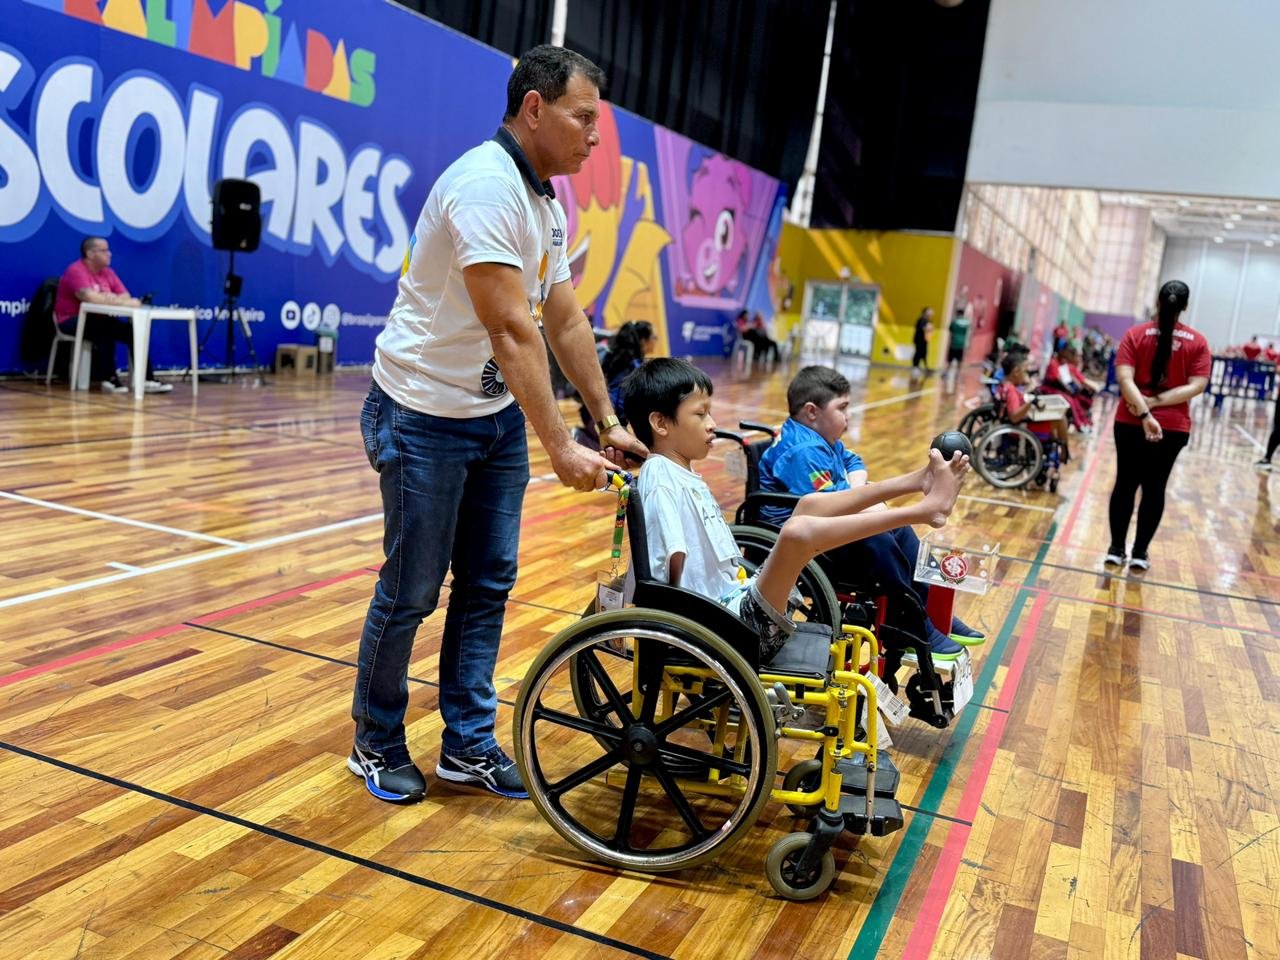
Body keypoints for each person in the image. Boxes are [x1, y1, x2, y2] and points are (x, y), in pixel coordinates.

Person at [349, 45, 647, 805]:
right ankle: (375, 740)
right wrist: (559, 443)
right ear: (535, 108)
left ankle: (466, 745)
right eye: (584, 118)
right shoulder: (485, 186)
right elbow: (513, 329)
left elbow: (564, 316)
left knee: (486, 585)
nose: (594, 137)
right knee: (412, 589)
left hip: (489, 417)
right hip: (421, 414)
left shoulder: (544, 200)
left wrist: (604, 416)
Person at [620, 358, 969, 660]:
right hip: (718, 628)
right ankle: (922, 510)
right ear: (661, 424)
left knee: (807, 506)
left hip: (732, 604)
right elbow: (667, 570)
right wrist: (670, 629)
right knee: (797, 531)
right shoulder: (661, 477)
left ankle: (918, 480)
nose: (712, 423)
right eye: (700, 413)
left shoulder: (680, 472)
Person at [755, 365, 985, 659]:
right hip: (791, 545)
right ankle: (907, 624)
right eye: (843, 408)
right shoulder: (802, 451)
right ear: (812, 412)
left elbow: (854, 461)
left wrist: (857, 492)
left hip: (821, 530)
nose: (848, 416)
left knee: (896, 528)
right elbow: (827, 511)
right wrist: (862, 501)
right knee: (878, 537)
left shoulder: (825, 441)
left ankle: (925, 610)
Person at [1105, 280, 1210, 571]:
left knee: (1125, 484)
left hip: (1129, 421)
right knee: (1155, 487)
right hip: (1174, 426)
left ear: (1158, 301)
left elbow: (1125, 380)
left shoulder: (1135, 334)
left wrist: (1144, 409)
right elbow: (1197, 386)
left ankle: (1116, 550)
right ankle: (1139, 553)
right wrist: (1157, 404)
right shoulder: (1198, 342)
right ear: (1185, 306)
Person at [54, 237, 171, 393]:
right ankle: (109, 379)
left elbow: (127, 297)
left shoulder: (108, 273)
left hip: (100, 319)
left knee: (134, 331)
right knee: (104, 328)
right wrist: (112, 299)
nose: (109, 254)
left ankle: (146, 379)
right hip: (71, 320)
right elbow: (89, 297)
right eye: (104, 251)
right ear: (90, 254)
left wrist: (111, 299)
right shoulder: (76, 270)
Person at [574, 320, 658, 450]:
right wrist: (621, 427)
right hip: (605, 418)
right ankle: (585, 440)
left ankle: (590, 439)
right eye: (654, 337)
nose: (656, 341)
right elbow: (621, 398)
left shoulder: (619, 358)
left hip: (591, 414)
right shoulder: (634, 366)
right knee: (635, 455)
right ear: (643, 340)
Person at [998, 353, 1071, 453]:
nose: (1026, 374)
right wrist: (1031, 403)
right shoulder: (1011, 391)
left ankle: (1058, 449)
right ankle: (1064, 452)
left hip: (1020, 424)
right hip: (1021, 428)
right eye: (1025, 371)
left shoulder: (1005, 385)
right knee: (1060, 418)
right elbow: (1014, 417)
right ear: (1016, 372)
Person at [946, 306, 971, 373]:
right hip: (962, 344)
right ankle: (958, 374)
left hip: (954, 343)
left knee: (950, 360)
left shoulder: (954, 321)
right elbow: (969, 332)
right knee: (959, 360)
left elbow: (950, 329)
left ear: (957, 314)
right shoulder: (967, 323)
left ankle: (947, 371)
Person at [912, 307, 934, 375]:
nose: (931, 313)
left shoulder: (927, 320)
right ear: (925, 312)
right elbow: (923, 328)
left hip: (924, 340)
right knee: (918, 353)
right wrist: (928, 328)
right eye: (929, 312)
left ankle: (926, 368)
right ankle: (915, 367)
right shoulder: (921, 320)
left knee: (924, 354)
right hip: (919, 340)